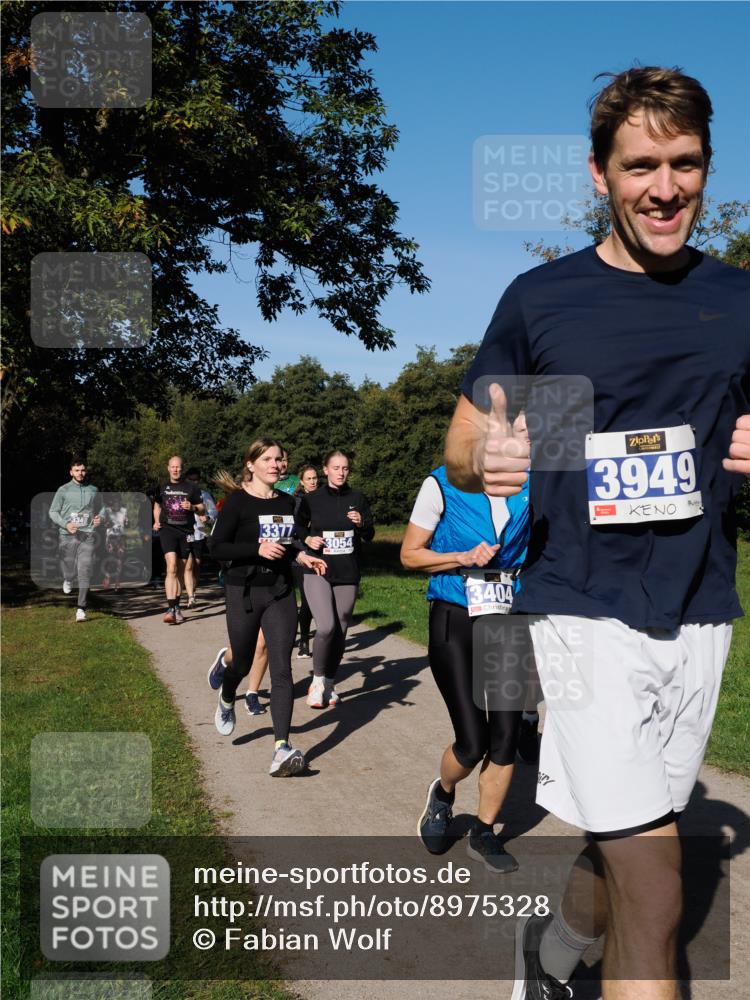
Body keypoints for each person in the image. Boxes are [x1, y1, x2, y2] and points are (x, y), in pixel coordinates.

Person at [444, 66, 750, 1000]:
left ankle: (553, 953)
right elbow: (462, 443)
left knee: (626, 839)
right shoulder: (543, 301)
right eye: (641, 167)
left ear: (708, 164)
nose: (666, 189)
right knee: (657, 891)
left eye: (686, 164)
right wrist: (486, 457)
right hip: (578, 608)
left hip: (699, 609)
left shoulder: (740, 301)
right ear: (598, 175)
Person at [401, 452, 530, 874]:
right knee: (473, 741)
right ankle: (442, 792)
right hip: (454, 616)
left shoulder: (535, 485)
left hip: (510, 620)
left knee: (507, 736)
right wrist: (460, 557)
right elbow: (410, 555)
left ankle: (485, 831)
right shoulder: (441, 483)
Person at [206, 438, 327, 776]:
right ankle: (228, 693)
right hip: (243, 590)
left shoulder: (289, 502)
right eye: (268, 460)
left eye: (279, 460)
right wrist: (255, 549)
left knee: (282, 669)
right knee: (242, 662)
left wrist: (303, 556)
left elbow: (288, 546)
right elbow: (216, 548)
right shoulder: (237, 504)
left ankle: (281, 748)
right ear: (251, 464)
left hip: (279, 592)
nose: (276, 465)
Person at [295, 450, 374, 708]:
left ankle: (329, 682)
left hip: (347, 570)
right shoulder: (312, 499)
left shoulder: (357, 498)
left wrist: (361, 522)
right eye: (336, 468)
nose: (341, 472)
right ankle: (316, 681)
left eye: (345, 468)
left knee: (341, 628)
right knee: (326, 625)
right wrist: (307, 539)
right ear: (325, 470)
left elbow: (370, 533)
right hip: (317, 567)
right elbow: (296, 528)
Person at [48, 458, 102, 622]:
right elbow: (53, 512)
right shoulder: (63, 490)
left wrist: (101, 517)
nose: (80, 473)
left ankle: (81, 609)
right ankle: (68, 578)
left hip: (87, 535)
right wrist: (66, 524)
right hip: (67, 535)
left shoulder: (93, 489)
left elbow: (102, 508)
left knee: (84, 570)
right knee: (70, 568)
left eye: (83, 470)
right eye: (77, 470)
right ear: (71, 472)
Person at [153, 456, 205, 624]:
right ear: (168, 468)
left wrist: (193, 507)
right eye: (172, 467)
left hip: (186, 532)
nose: (175, 470)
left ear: (182, 469)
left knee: (181, 571)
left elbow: (202, 507)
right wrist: (156, 521)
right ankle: (170, 608)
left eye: (178, 467)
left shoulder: (192, 487)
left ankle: (176, 607)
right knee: (171, 566)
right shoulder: (162, 486)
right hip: (168, 530)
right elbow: (157, 505)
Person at [293, 464, 319, 658]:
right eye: (309, 478)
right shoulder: (296, 502)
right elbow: (292, 530)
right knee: (308, 600)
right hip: (301, 556)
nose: (313, 481)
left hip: (321, 555)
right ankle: (303, 640)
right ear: (301, 481)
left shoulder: (323, 498)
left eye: (315, 478)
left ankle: (327, 640)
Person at [183, 467, 218, 608]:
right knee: (188, 565)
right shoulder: (181, 495)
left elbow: (214, 513)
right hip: (183, 532)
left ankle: (193, 591)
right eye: (190, 480)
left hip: (199, 533)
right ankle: (190, 596)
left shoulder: (205, 495)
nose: (193, 482)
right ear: (186, 480)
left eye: (196, 480)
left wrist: (208, 518)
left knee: (196, 564)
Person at [100, 492, 129, 590]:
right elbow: (103, 524)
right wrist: (106, 524)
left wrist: (127, 522)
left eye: (117, 501)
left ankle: (117, 581)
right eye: (113, 501)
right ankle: (108, 577)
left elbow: (128, 524)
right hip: (111, 538)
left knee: (120, 560)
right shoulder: (107, 511)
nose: (115, 503)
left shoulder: (124, 511)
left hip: (121, 538)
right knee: (112, 560)